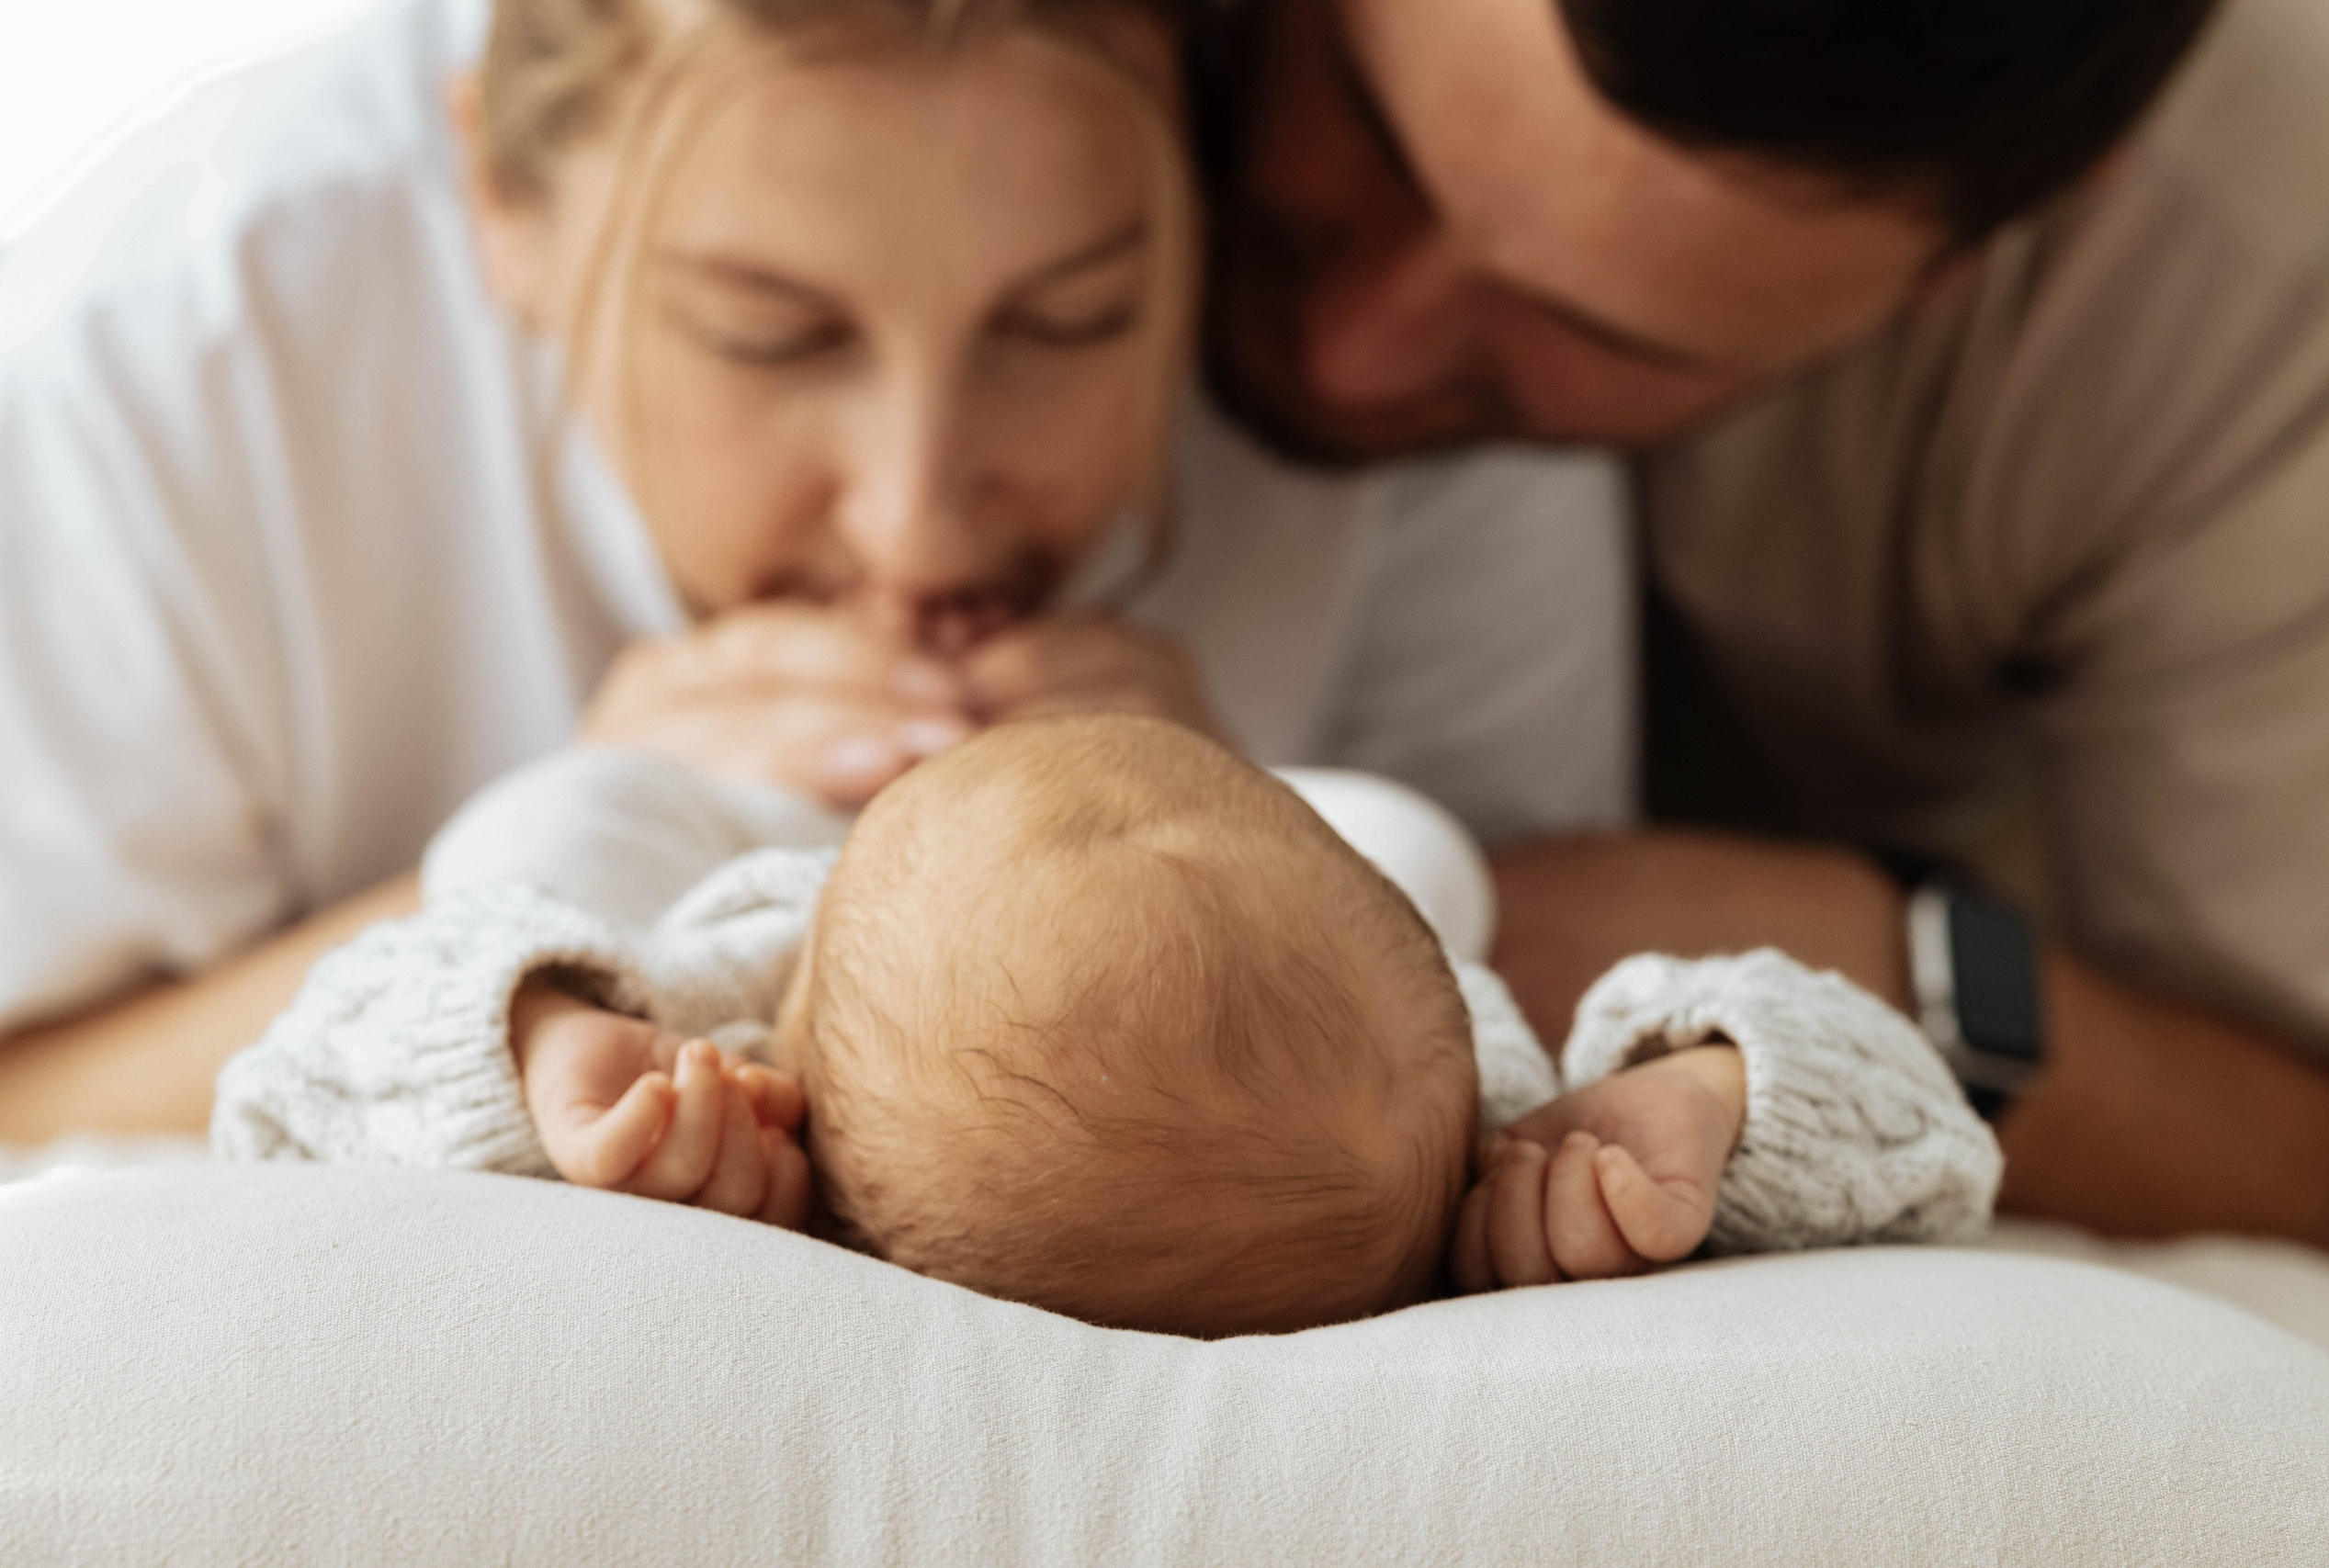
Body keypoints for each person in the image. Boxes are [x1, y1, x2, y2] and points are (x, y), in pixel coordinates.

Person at [0, 0, 1631, 1139]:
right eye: (768, 337)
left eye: (1068, 324)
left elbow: (1555, 990)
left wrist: (1243, 868)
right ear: (500, 193)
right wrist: (520, 902)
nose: (918, 519)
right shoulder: (180, 384)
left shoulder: (1366, 390)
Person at [1200, 0, 2329, 1254]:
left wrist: (1889, 976)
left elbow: (2321, 1141)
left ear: (1983, 246)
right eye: (1368, 122)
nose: (1350, 354)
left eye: (1594, 327)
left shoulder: (2276, 268)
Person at [211, 714, 2002, 1335]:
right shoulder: (1470, 1114)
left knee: (540, 850)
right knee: (1414, 848)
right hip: (1292, 909)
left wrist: (536, 1054)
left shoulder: (725, 1016)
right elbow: (1916, 1129)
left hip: (743, 885)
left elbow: (303, 1075)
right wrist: (1705, 1095)